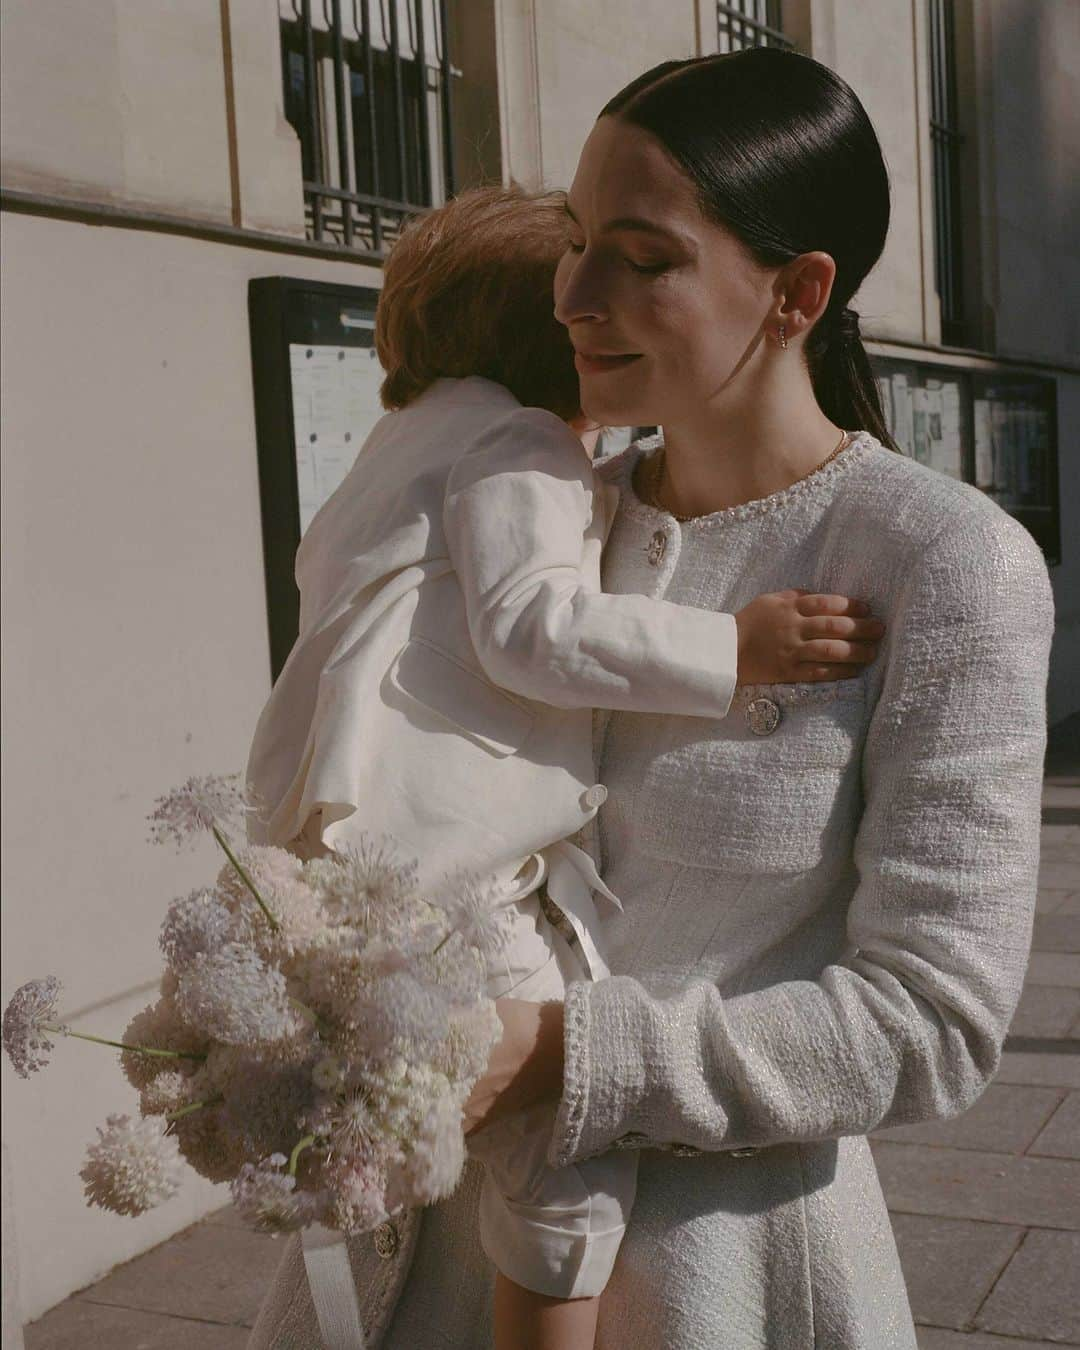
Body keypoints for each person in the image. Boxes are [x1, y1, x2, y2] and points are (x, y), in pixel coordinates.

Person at [248, 48, 1053, 1350]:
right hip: (407, 1257)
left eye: (641, 255)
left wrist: (563, 1055)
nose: (573, 293)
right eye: (573, 244)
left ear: (795, 292)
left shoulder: (936, 560)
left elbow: (930, 1024)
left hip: (721, 1282)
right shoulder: (529, 515)